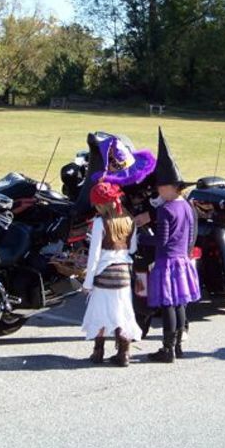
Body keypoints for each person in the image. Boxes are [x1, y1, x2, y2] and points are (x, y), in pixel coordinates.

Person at [141, 128, 201, 363]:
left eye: (160, 186)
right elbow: (188, 233)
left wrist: (139, 239)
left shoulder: (165, 209)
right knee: (179, 305)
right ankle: (177, 347)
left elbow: (162, 240)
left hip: (167, 263)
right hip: (182, 261)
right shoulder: (186, 205)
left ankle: (167, 349)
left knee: (167, 306)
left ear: (171, 186)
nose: (157, 189)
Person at [81, 181, 143, 366]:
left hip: (104, 274)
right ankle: (124, 353)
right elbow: (132, 249)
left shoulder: (100, 222)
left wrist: (87, 282)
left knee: (99, 314)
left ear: (101, 204)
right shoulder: (130, 219)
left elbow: (94, 256)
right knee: (122, 314)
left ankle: (98, 352)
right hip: (123, 275)